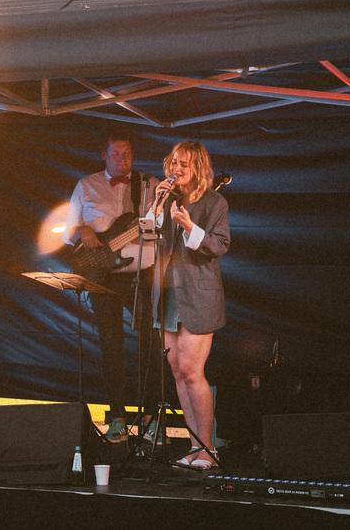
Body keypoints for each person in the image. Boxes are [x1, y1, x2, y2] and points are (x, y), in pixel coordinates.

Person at [66, 131, 156, 443]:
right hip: (101, 274)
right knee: (110, 346)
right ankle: (117, 415)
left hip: (141, 272)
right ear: (103, 155)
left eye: (127, 153)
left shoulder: (149, 185)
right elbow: (66, 229)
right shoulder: (85, 185)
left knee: (151, 343)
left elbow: (163, 227)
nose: (122, 159)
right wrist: (82, 230)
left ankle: (151, 417)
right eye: (116, 153)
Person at [149, 140, 230, 471]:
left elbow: (219, 245)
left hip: (198, 295)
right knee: (178, 372)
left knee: (193, 372)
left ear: (198, 168)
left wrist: (188, 226)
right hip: (168, 294)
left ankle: (209, 448)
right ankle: (194, 445)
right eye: (173, 163)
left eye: (184, 164)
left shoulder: (215, 202)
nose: (177, 169)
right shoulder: (167, 199)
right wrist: (156, 204)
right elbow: (147, 233)